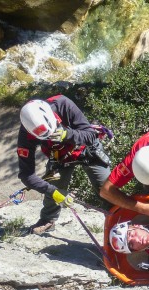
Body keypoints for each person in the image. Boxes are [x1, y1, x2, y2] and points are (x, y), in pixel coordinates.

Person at [17, 95, 112, 235]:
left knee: (108, 190)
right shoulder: (26, 134)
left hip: (87, 150)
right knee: (53, 185)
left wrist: (68, 134)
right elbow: (27, 175)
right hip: (60, 157)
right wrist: (53, 192)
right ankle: (47, 220)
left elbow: (90, 135)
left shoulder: (63, 104)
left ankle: (117, 219)